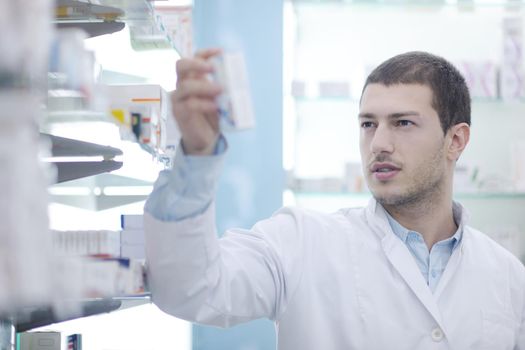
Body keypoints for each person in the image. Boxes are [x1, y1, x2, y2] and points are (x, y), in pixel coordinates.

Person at [143, 50, 525, 350]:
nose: (379, 144)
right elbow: (189, 289)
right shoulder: (300, 241)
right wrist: (195, 158)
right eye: (368, 124)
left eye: (403, 123)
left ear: (455, 141)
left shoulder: (506, 275)